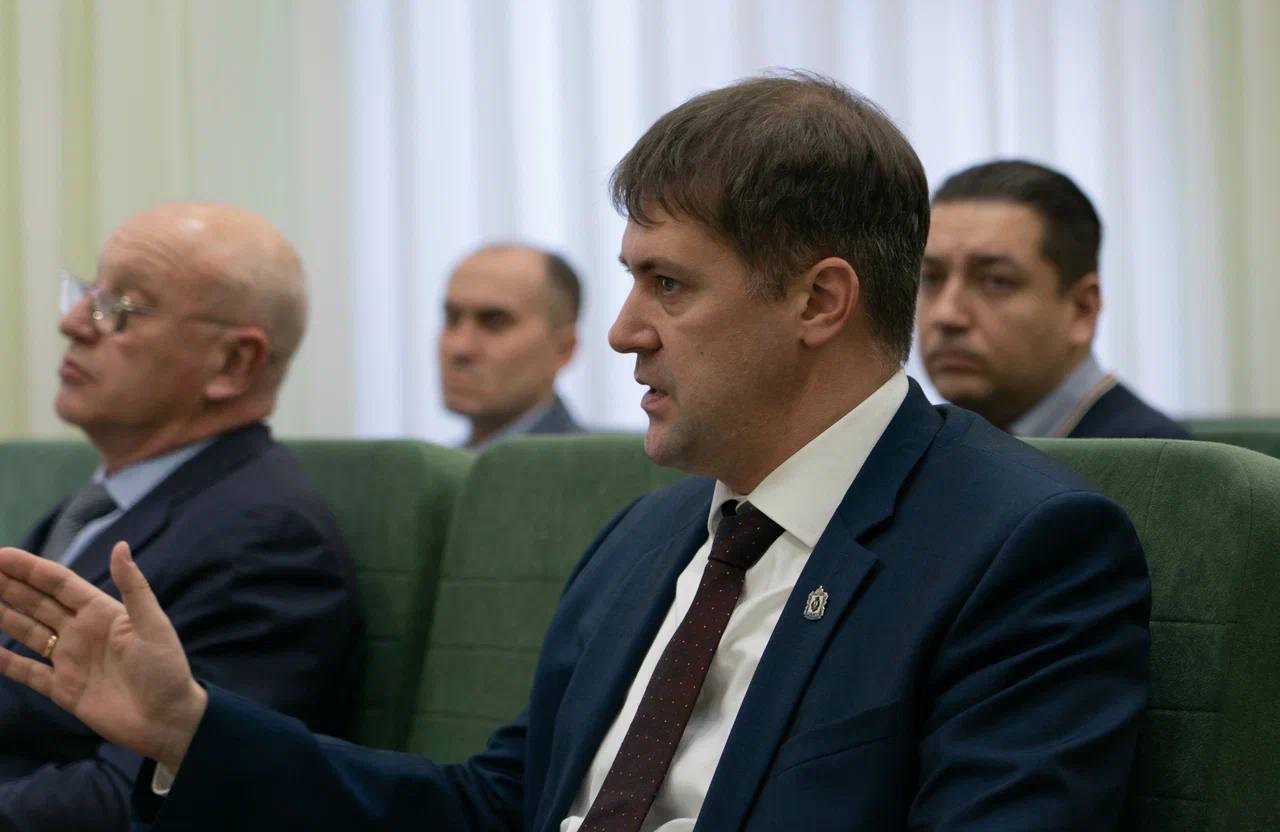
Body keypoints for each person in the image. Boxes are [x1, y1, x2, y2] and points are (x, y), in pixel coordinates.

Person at [0, 74, 1148, 830]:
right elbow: (494, 809)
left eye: (668, 284)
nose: (621, 332)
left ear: (817, 300)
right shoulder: (649, 536)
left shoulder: (1021, 548)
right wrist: (190, 727)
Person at [0, 203, 362, 832]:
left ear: (232, 364)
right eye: (88, 293)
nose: (72, 322)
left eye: (120, 308)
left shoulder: (268, 544)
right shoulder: (107, 499)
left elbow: (137, 796)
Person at [918, 159, 1192, 438]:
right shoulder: (928, 446)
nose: (946, 315)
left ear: (1082, 309)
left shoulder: (1151, 460)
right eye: (929, 278)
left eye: (996, 281)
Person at [440, 244, 584, 449]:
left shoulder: (607, 467)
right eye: (452, 319)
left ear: (563, 350)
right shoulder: (431, 467)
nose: (460, 347)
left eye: (494, 323)